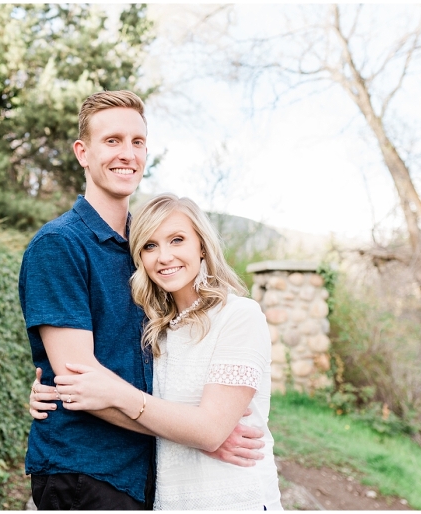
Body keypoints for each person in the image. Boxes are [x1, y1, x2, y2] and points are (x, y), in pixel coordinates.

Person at [18, 90, 265, 511]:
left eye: (137, 142)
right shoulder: (59, 245)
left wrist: (203, 430)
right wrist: (196, 434)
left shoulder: (145, 248)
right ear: (83, 152)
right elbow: (81, 385)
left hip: (147, 475)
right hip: (87, 472)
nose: (126, 154)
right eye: (112, 141)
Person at [52, 194, 282, 510]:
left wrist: (116, 393)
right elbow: (175, 421)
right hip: (170, 500)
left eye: (177, 240)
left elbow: (210, 430)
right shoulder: (156, 329)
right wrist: (52, 390)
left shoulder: (239, 315)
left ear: (201, 245)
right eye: (150, 245)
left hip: (232, 496)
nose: (164, 256)